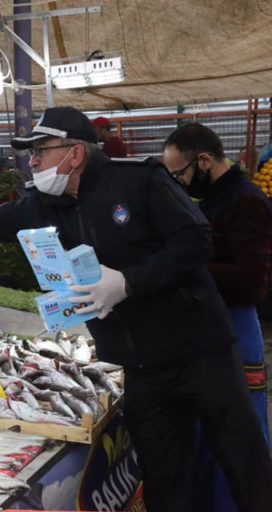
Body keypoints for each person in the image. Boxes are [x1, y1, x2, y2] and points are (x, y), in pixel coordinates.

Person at [0, 106, 272, 512]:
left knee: (244, 461)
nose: (32, 162)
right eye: (30, 154)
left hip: (199, 351)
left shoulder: (139, 181)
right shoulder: (43, 204)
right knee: (166, 478)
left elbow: (194, 241)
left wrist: (129, 281)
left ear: (74, 153)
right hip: (136, 369)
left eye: (40, 151)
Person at [162, 123, 271, 512]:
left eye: (180, 174)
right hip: (206, 333)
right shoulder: (209, 202)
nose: (179, 183)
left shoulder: (247, 202)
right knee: (207, 435)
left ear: (204, 160)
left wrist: (186, 267)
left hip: (237, 334)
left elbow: (252, 282)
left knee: (239, 439)